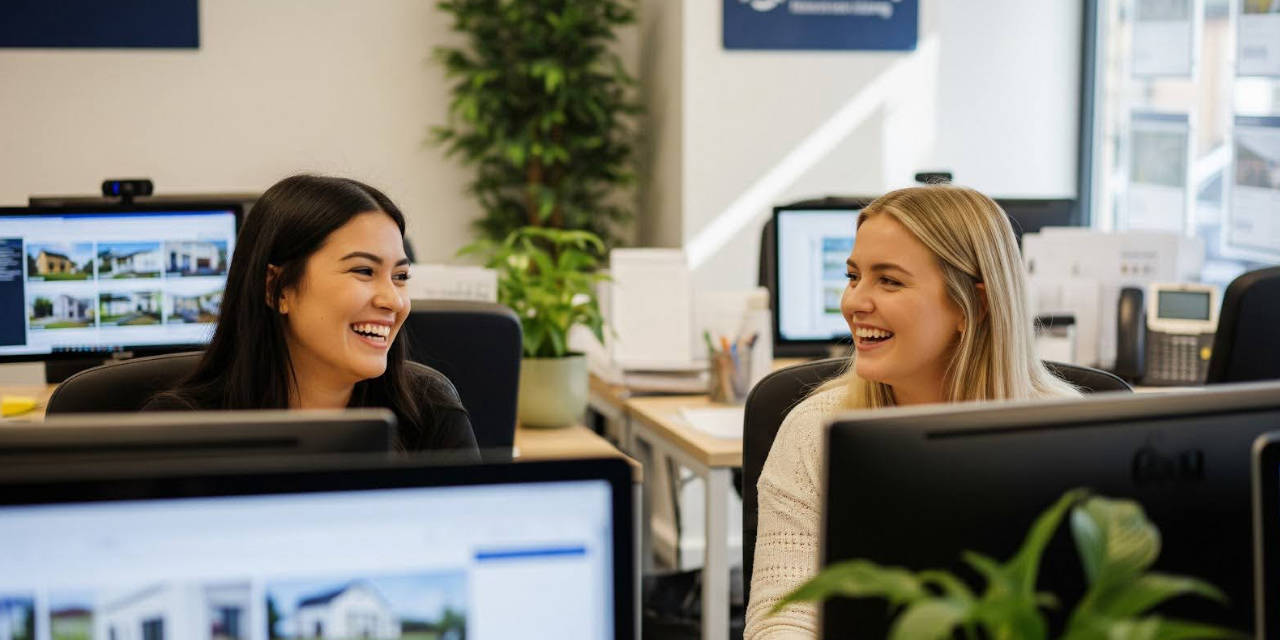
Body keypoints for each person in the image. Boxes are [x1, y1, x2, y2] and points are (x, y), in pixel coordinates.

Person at [744, 185, 1080, 638]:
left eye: (889, 281)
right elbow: (782, 616)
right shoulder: (816, 431)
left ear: (974, 305)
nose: (854, 302)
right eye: (853, 276)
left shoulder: (1069, 435)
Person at [144, 175, 478, 455]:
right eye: (363, 270)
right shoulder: (176, 433)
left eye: (400, 277)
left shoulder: (431, 417)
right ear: (277, 288)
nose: (393, 300)